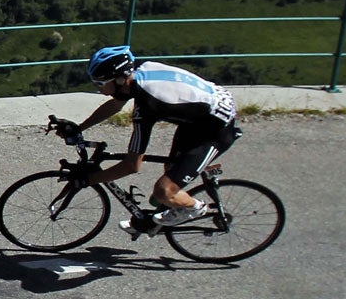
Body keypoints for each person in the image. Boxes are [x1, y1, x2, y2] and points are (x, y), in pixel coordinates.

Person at [55, 45, 238, 238]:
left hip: (216, 129)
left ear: (119, 79)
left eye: (100, 83)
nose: (96, 87)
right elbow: (116, 105)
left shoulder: (148, 105)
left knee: (164, 191)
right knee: (168, 175)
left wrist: (88, 180)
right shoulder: (138, 75)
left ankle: (195, 208)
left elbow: (132, 165)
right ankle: (152, 221)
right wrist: (79, 128)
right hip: (198, 118)